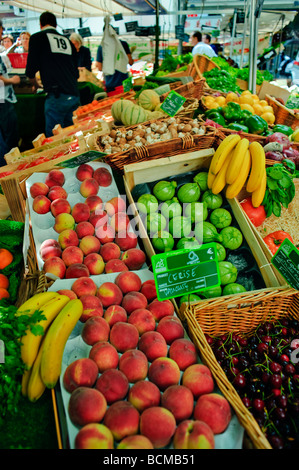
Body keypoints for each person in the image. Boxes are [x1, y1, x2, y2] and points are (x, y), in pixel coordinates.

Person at [25, 11, 80, 137]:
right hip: (73, 94)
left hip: (56, 97)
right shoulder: (68, 41)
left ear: (40, 24)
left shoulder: (37, 38)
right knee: (74, 136)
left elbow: (30, 71)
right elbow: (75, 72)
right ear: (56, 25)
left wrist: (36, 85)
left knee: (56, 139)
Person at [0, 20, 20, 165]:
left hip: (5, 98)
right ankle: (9, 168)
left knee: (9, 135)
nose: (1, 37)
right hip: (2, 100)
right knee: (8, 139)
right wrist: (12, 80)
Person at [95, 24, 133, 93]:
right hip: (125, 82)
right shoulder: (123, 44)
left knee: (113, 102)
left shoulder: (101, 48)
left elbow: (100, 68)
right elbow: (130, 62)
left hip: (110, 83)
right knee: (127, 101)